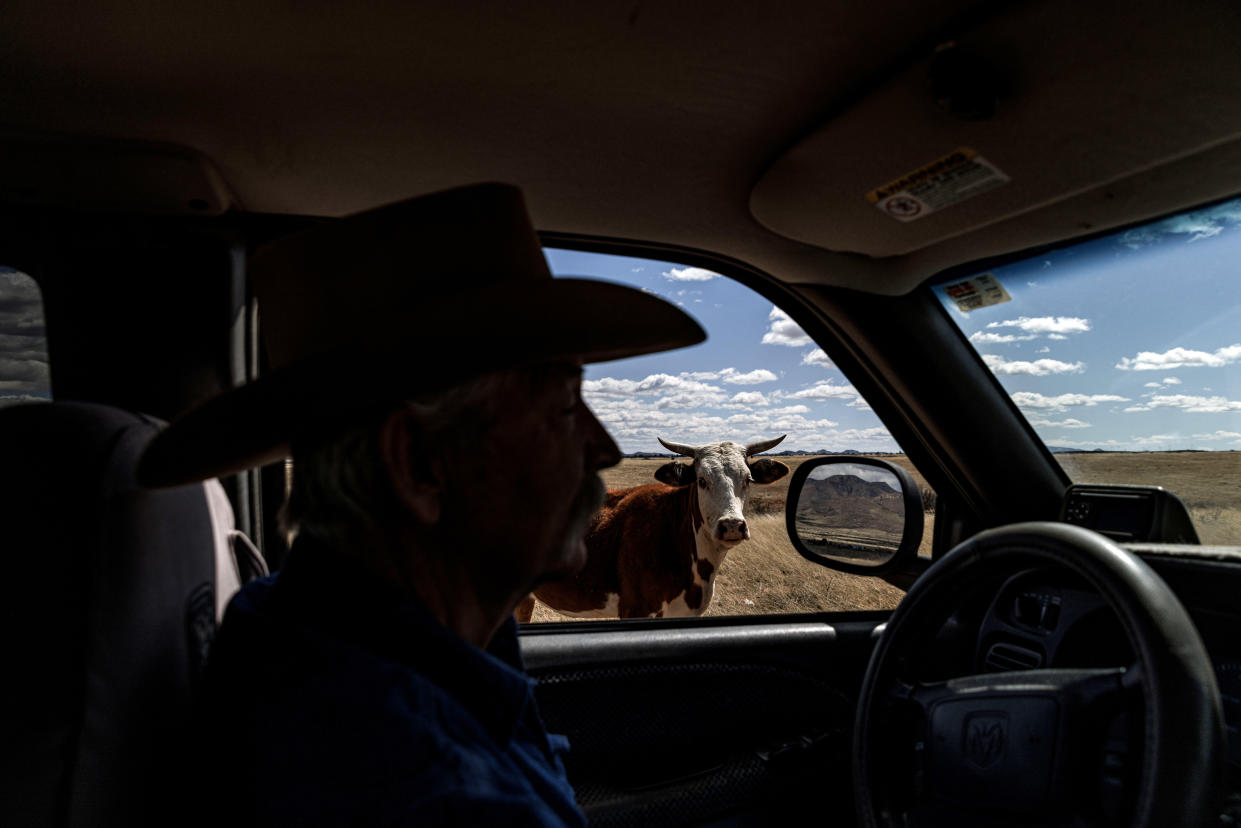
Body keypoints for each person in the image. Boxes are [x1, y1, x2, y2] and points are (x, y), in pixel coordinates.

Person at [137, 183, 704, 825]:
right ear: (420, 464)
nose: (602, 448)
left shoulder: (300, 624)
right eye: (565, 407)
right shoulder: (432, 794)